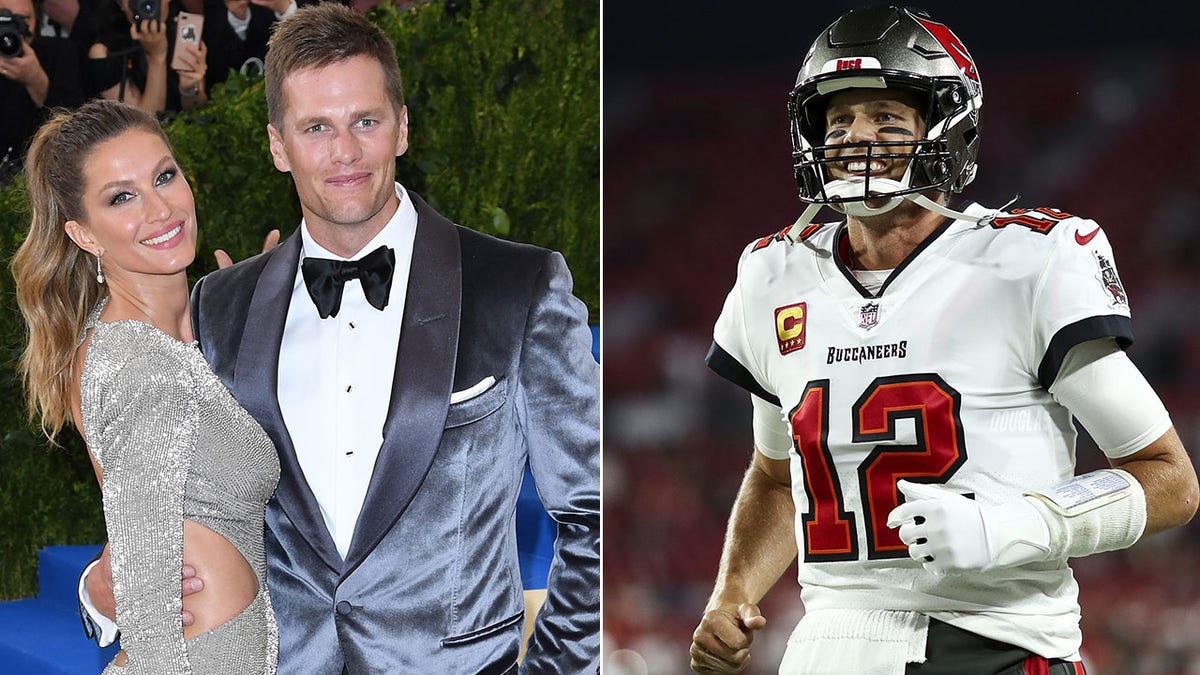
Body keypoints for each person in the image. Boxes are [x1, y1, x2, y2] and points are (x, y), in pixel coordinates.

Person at [81, 3, 601, 672]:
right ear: (278, 145)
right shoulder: (222, 306)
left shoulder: (517, 285)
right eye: (316, 128)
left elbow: (597, 514)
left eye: (366, 121)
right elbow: (196, 504)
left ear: (402, 127)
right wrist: (99, 591)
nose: (346, 152)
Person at [689, 6, 1198, 674]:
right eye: (838, 119)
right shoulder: (774, 276)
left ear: (947, 130)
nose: (853, 137)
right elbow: (779, 477)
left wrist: (1016, 523)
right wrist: (732, 593)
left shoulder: (1025, 262)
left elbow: (1170, 480)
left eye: (885, 119)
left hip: (995, 643)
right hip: (825, 647)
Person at [12, 99, 279, 673]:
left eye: (164, 176)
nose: (160, 209)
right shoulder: (134, 363)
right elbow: (149, 602)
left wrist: (266, 336)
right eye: (122, 197)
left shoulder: (201, 325)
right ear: (83, 234)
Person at [0, 0, 84, 184]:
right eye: (4, 17)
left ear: (37, 20)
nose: (12, 26)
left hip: (45, 176)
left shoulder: (61, 53)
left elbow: (72, 130)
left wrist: (35, 79)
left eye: (22, 19)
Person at [86, 0, 208, 112]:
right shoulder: (105, 53)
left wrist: (189, 90)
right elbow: (142, 124)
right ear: (120, 3)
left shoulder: (185, 30)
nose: (146, 3)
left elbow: (197, 113)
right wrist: (156, 57)